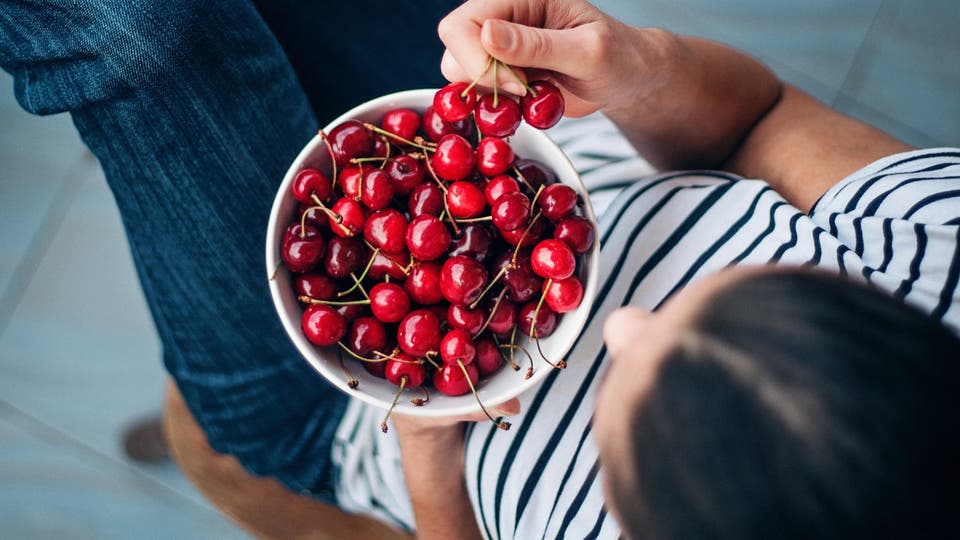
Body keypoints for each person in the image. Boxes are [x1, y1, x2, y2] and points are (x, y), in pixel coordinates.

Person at [2, 1, 957, 539]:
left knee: (135, 33)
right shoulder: (940, 248)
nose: (616, 320)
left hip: (341, 414)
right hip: (506, 159)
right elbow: (761, 120)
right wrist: (639, 69)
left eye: (635, 381)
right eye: (721, 299)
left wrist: (427, 438)